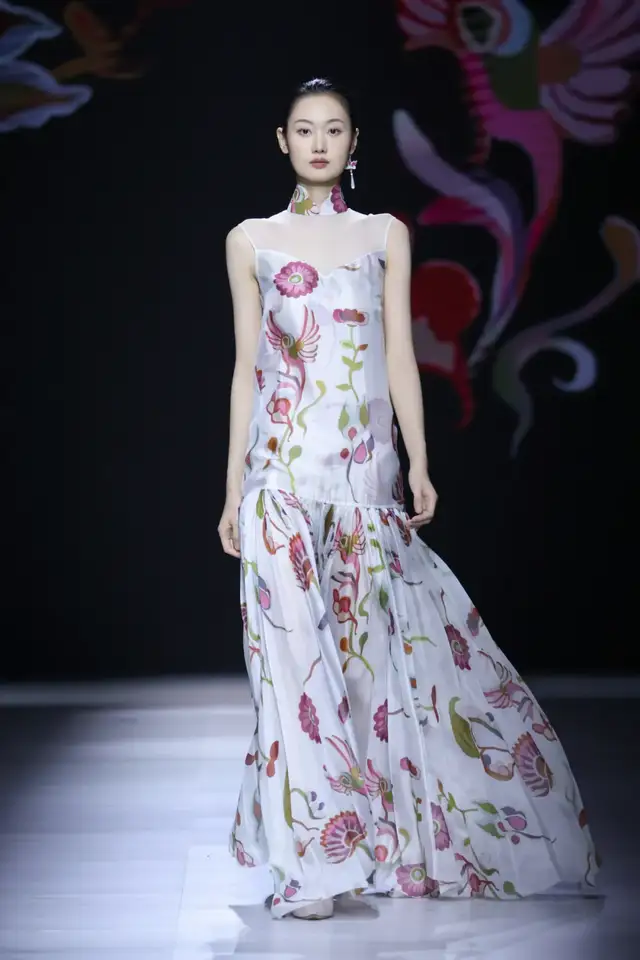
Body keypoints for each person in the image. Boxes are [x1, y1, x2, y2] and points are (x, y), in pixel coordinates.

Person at [219, 78, 598, 921]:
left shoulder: (386, 234)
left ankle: (367, 842)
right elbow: (247, 368)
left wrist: (419, 462)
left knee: (361, 670)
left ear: (354, 144)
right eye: (305, 130)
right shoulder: (250, 241)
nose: (320, 142)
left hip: (363, 478)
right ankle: (313, 867)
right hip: (279, 476)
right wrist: (233, 488)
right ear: (282, 141)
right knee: (290, 668)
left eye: (335, 130)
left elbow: (398, 357)